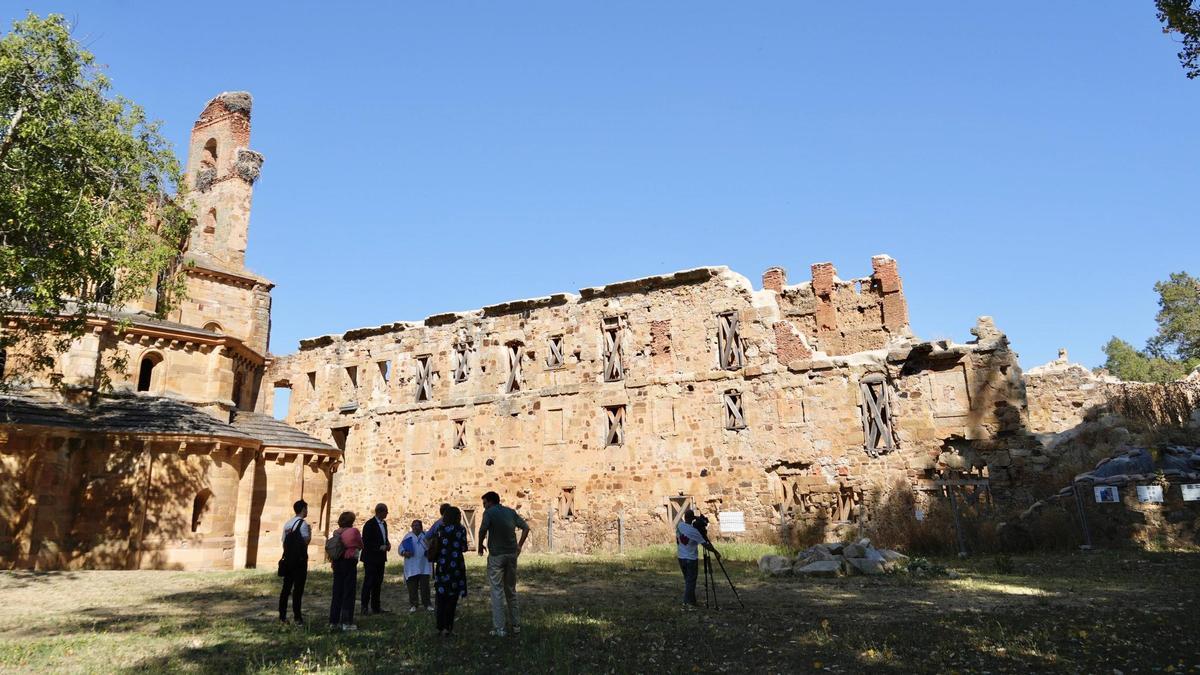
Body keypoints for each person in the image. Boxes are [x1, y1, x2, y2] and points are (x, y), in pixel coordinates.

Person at [477, 491, 529, 637]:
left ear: (490, 502)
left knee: (497, 592)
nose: (484, 506)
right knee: (511, 590)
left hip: (496, 556)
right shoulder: (510, 512)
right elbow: (526, 528)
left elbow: (482, 530)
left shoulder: (489, 513)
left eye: (485, 503)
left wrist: (480, 545)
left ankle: (500, 628)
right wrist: (519, 545)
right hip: (512, 555)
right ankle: (516, 625)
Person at [431, 506, 469, 636]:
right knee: (452, 598)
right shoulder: (461, 529)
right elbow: (464, 548)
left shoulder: (440, 529)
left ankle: (439, 627)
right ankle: (448, 628)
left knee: (441, 598)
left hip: (442, 565)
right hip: (455, 566)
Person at [676, 508, 720, 607]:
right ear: (692, 518)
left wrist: (694, 519)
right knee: (691, 582)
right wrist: (716, 552)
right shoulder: (694, 532)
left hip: (681, 557)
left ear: (684, 517)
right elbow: (705, 545)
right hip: (690, 559)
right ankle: (687, 603)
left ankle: (692, 601)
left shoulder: (680, 525)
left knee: (688, 581)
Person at [279, 500, 311, 624]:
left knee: (286, 589)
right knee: (298, 589)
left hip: (288, 560)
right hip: (300, 561)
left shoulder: (288, 524)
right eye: (306, 509)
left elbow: (284, 542)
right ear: (303, 509)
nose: (307, 511)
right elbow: (305, 542)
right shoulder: (303, 524)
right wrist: (310, 533)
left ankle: (282, 616)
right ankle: (297, 617)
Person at [330, 510, 363, 631]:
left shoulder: (336, 533)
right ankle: (346, 622)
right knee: (348, 592)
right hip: (349, 563)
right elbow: (360, 545)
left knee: (337, 592)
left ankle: (333, 621)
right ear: (351, 521)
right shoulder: (354, 532)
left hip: (337, 562)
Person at [360, 503, 391, 615]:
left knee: (378, 582)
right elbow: (366, 542)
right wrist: (379, 547)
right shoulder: (369, 524)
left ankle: (376, 607)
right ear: (380, 512)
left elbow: (384, 537)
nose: (387, 514)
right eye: (386, 511)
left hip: (380, 558)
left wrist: (387, 543)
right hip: (370, 558)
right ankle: (364, 607)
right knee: (368, 582)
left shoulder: (384, 524)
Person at [400, 519, 434, 613]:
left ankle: (427, 604)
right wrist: (404, 552)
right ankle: (413, 605)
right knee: (412, 587)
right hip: (412, 566)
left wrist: (430, 552)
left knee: (425, 587)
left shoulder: (426, 536)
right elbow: (400, 548)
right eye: (413, 525)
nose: (415, 527)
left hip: (424, 565)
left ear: (421, 527)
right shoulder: (408, 537)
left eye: (417, 525)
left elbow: (432, 547)